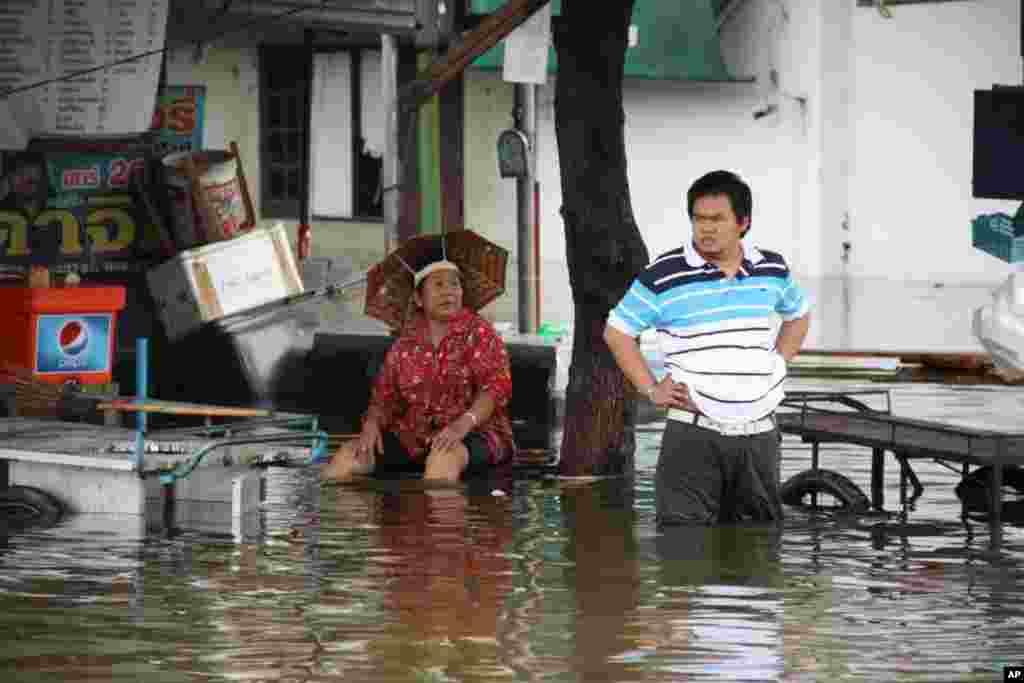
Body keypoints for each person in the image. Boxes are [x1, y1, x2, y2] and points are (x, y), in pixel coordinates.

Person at [603, 170, 811, 525]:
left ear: (743, 222)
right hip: (693, 433)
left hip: (759, 435)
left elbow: (799, 314)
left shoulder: (772, 268)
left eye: (717, 219)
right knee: (685, 551)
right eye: (699, 219)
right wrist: (651, 389)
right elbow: (617, 332)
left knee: (757, 547)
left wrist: (777, 364)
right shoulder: (664, 274)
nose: (706, 228)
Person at [321, 259, 516, 483]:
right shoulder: (405, 343)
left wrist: (462, 424)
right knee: (347, 457)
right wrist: (372, 424)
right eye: (439, 285)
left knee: (443, 459)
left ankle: (434, 519)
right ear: (418, 298)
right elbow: (384, 398)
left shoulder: (479, 333)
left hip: (475, 432)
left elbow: (495, 387)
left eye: (455, 284)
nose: (449, 292)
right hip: (415, 436)